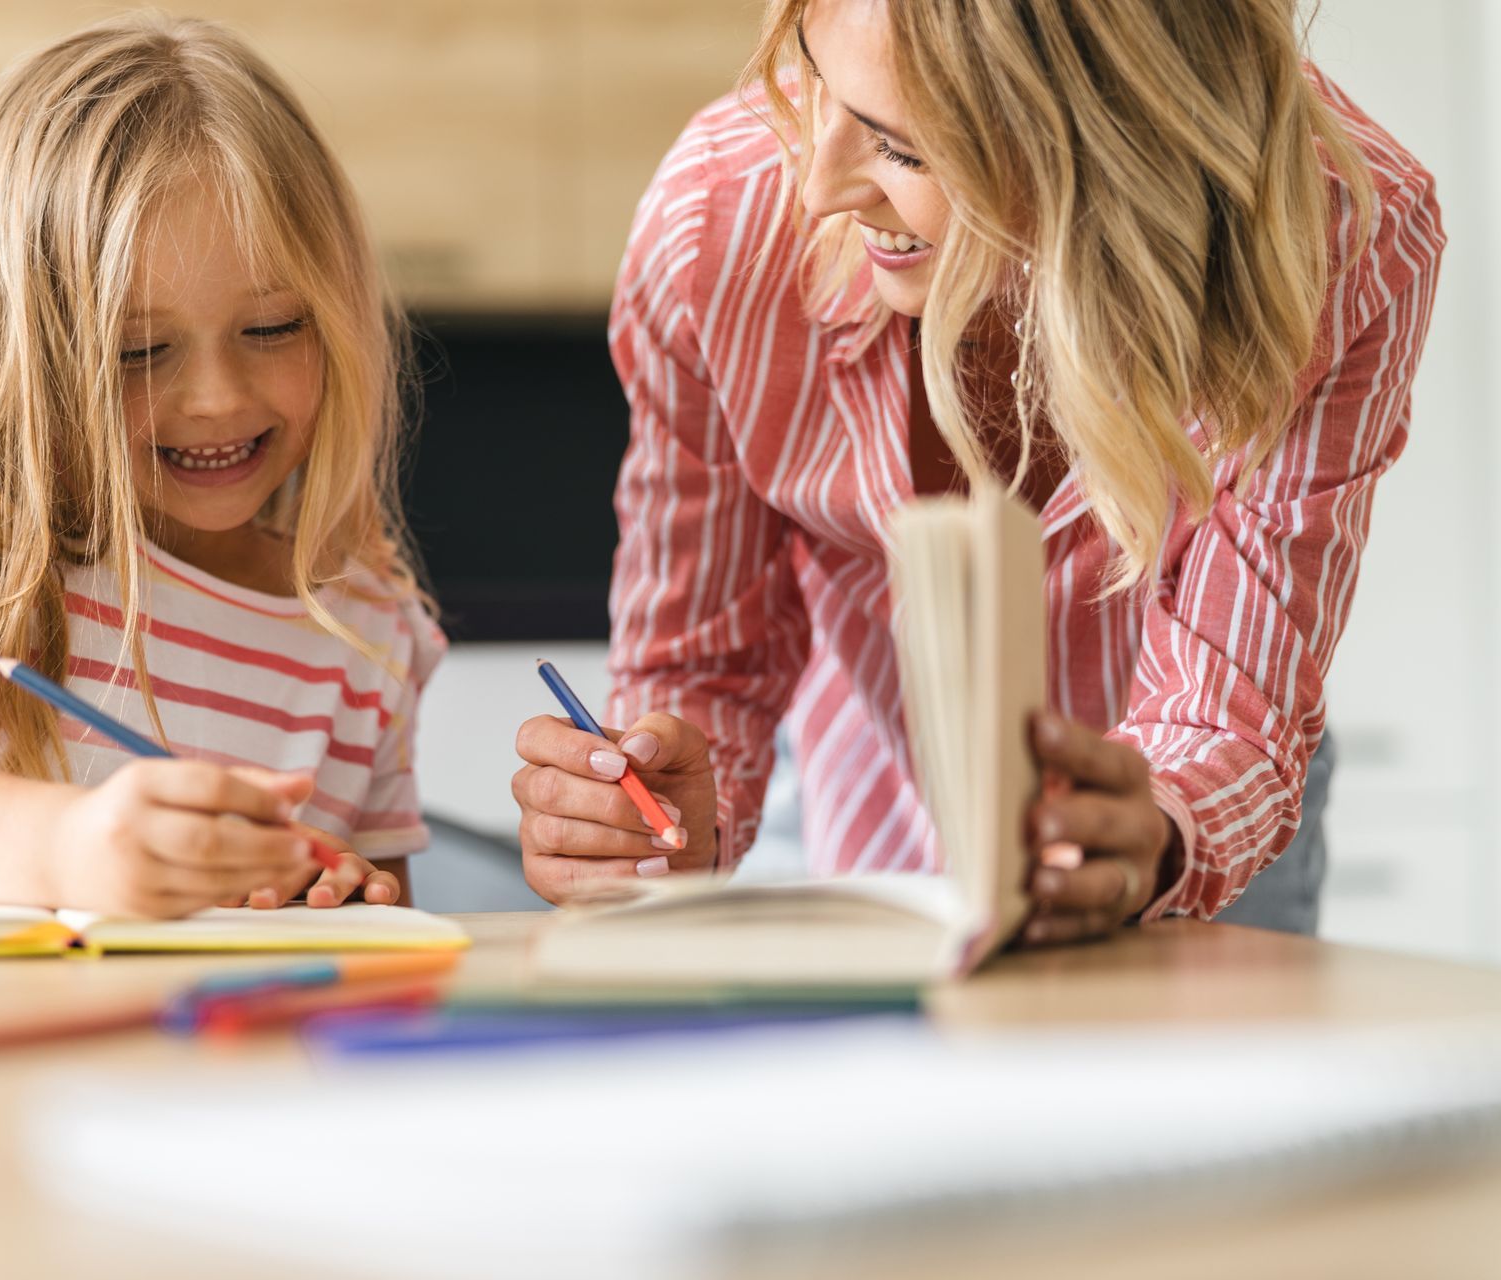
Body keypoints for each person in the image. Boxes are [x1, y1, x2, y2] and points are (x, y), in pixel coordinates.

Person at [513, 0, 1442, 945]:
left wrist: (1149, 837)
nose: (820, 187)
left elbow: (1225, 712)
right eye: (816, 81)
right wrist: (665, 823)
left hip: (1186, 829)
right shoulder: (717, 219)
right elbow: (706, 666)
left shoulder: (1340, 236)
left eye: (904, 151)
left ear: (1109, 145)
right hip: (867, 782)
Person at [0, 14, 441, 916]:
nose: (216, 397)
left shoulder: (364, 624)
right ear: (24, 355)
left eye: (272, 329)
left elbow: (388, 950)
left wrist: (336, 895)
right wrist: (72, 849)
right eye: (138, 351)